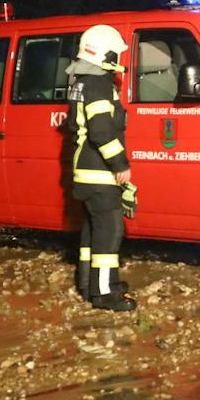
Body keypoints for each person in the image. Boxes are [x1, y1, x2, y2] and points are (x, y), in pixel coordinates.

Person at [66, 24, 136, 311]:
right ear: (103, 53)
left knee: (92, 230)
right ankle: (105, 293)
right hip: (99, 170)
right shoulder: (98, 84)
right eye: (116, 53)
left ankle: (89, 283)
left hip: (85, 169)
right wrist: (120, 164)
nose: (119, 59)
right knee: (110, 230)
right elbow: (101, 132)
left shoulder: (81, 80)